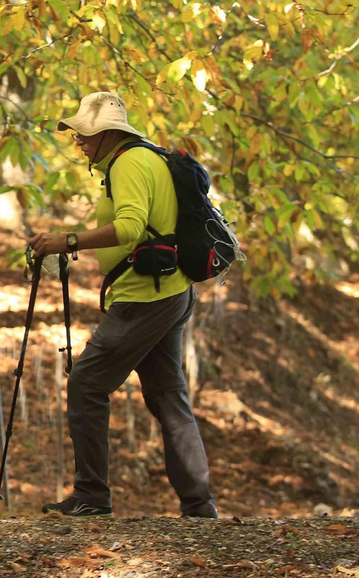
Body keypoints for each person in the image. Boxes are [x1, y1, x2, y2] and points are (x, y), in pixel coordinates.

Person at [26, 92, 217, 519]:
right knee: (169, 397)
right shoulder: (149, 159)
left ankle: (92, 494)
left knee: (87, 384)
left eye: (84, 132)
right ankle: (199, 506)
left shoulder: (129, 163)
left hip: (145, 298)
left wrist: (66, 242)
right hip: (170, 291)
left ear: (109, 133)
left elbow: (131, 227)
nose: (77, 140)